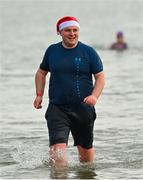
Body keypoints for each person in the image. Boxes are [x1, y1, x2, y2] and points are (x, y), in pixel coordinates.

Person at [33, 16, 105, 167]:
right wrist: (39, 94)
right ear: (59, 32)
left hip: (83, 109)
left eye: (75, 30)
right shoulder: (52, 51)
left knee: (86, 160)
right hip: (57, 107)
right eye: (68, 30)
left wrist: (94, 96)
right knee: (57, 154)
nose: (72, 34)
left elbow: (100, 77)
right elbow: (41, 72)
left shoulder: (88, 52)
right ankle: (60, 175)